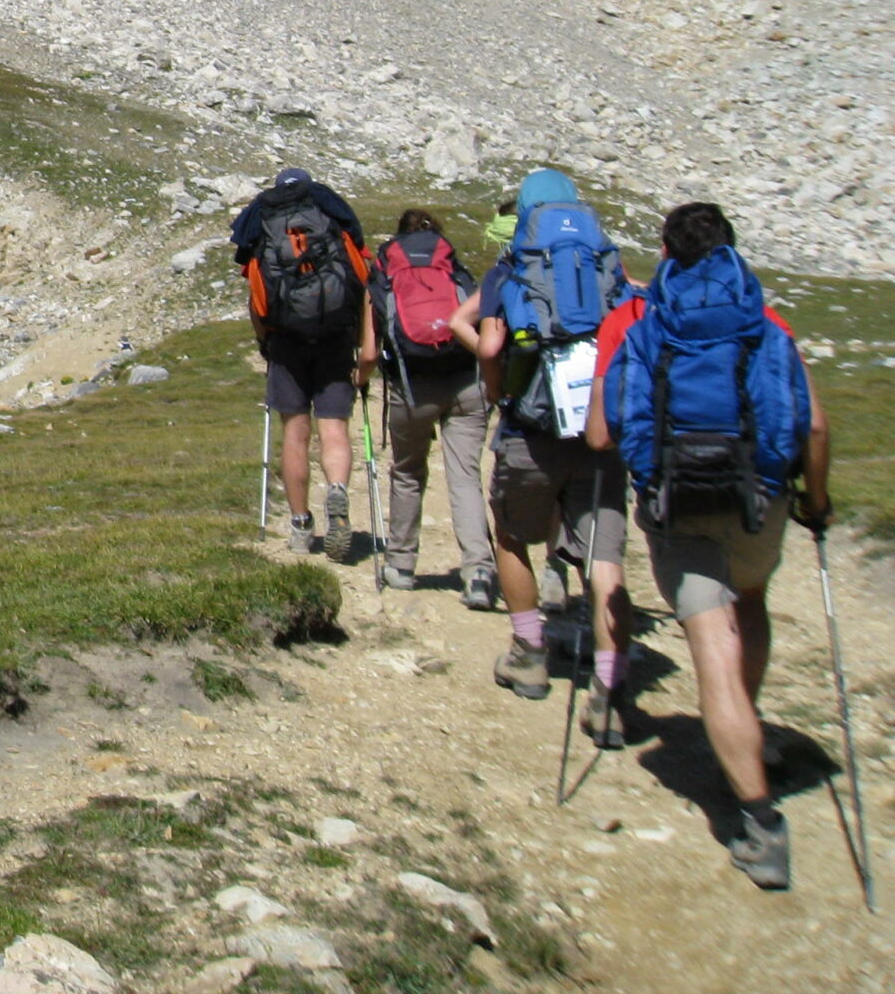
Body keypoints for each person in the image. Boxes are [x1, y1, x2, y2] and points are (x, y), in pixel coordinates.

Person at [592, 201, 832, 891]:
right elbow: (812, 426)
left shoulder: (637, 322)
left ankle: (758, 819)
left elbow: (605, 435)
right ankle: (746, 737)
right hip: (761, 500)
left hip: (680, 506)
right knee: (749, 604)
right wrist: (815, 502)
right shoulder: (766, 323)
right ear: (731, 250)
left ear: (665, 252)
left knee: (709, 649)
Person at [449, 168, 631, 741]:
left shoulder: (512, 269)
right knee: (605, 562)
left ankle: (529, 651)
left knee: (511, 536)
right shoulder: (608, 266)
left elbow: (494, 342)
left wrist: (495, 383)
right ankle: (608, 687)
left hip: (531, 428)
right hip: (601, 436)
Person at [232, 167, 375, 561]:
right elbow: (361, 279)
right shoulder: (330, 216)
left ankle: (300, 525)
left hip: (286, 343)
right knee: (334, 429)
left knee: (295, 434)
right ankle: (338, 493)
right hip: (334, 339)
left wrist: (265, 342)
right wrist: (362, 344)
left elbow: (255, 293)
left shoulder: (265, 221)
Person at [365, 208, 495, 604]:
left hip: (411, 387)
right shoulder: (453, 266)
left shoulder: (385, 274)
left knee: (407, 473)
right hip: (465, 382)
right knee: (465, 476)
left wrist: (359, 379)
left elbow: (370, 350)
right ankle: (478, 572)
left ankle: (402, 565)